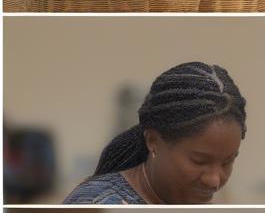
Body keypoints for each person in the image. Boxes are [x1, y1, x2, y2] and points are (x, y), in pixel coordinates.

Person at [63, 62, 245, 205]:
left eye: (228, 162)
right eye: (199, 161)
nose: (214, 180)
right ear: (153, 141)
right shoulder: (96, 201)